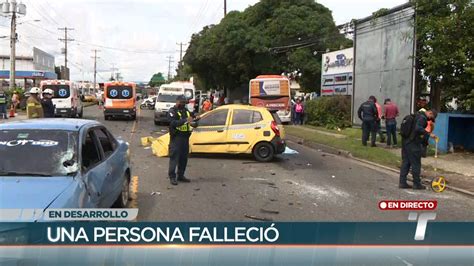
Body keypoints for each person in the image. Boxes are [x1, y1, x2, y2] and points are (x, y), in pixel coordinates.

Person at [399, 109, 438, 189]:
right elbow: (417, 128)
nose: (430, 120)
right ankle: (417, 184)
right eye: (431, 117)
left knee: (406, 162)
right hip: (413, 144)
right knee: (416, 164)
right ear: (430, 113)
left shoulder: (416, 115)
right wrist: (428, 134)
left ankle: (402, 182)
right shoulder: (422, 118)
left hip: (406, 142)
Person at [167, 95, 200, 186]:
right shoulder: (172, 111)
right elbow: (173, 123)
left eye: (184, 103)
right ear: (177, 102)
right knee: (174, 158)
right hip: (176, 138)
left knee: (183, 158)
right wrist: (185, 120)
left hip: (185, 137)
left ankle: (181, 175)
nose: (183, 104)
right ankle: (172, 177)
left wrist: (195, 120)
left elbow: (192, 120)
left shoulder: (186, 111)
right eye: (182, 102)